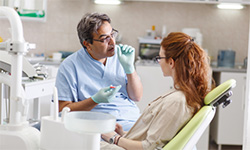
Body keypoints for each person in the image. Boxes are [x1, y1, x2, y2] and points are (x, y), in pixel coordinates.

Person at [100, 32, 214, 150]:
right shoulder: (183, 95)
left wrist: (114, 138)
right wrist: (123, 134)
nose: (158, 61)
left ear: (171, 62)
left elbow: (148, 147)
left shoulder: (176, 102)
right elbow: (155, 136)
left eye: (160, 57)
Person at [55, 12, 143, 131]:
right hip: (98, 124)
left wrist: (130, 69)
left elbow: (136, 96)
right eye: (105, 38)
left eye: (112, 35)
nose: (112, 42)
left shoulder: (120, 57)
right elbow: (63, 110)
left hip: (131, 120)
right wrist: (95, 100)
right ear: (87, 44)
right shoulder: (70, 66)